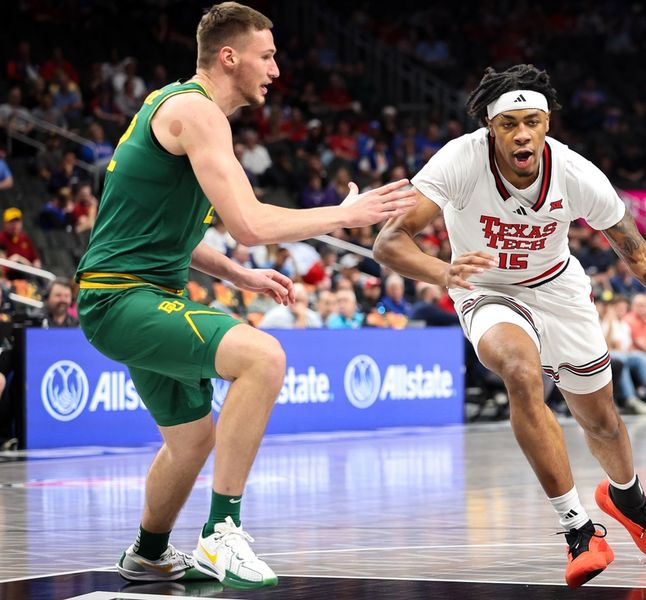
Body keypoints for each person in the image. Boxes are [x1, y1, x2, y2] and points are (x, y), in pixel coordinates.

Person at [75, 2, 415, 589]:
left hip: (132, 291)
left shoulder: (179, 107)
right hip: (123, 297)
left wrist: (239, 275)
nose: (276, 70)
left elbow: (163, 230)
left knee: (193, 439)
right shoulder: (197, 113)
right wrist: (345, 213)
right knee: (264, 357)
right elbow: (252, 224)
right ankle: (221, 534)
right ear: (229, 57)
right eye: (268, 56)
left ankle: (148, 553)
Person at [373, 64, 646, 588]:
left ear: (546, 125)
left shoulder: (577, 174)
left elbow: (644, 259)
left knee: (601, 420)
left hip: (558, 287)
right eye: (510, 123)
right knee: (519, 369)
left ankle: (626, 496)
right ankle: (578, 529)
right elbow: (389, 242)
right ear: (491, 129)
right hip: (486, 289)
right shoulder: (459, 160)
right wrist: (443, 271)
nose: (522, 133)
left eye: (533, 121)